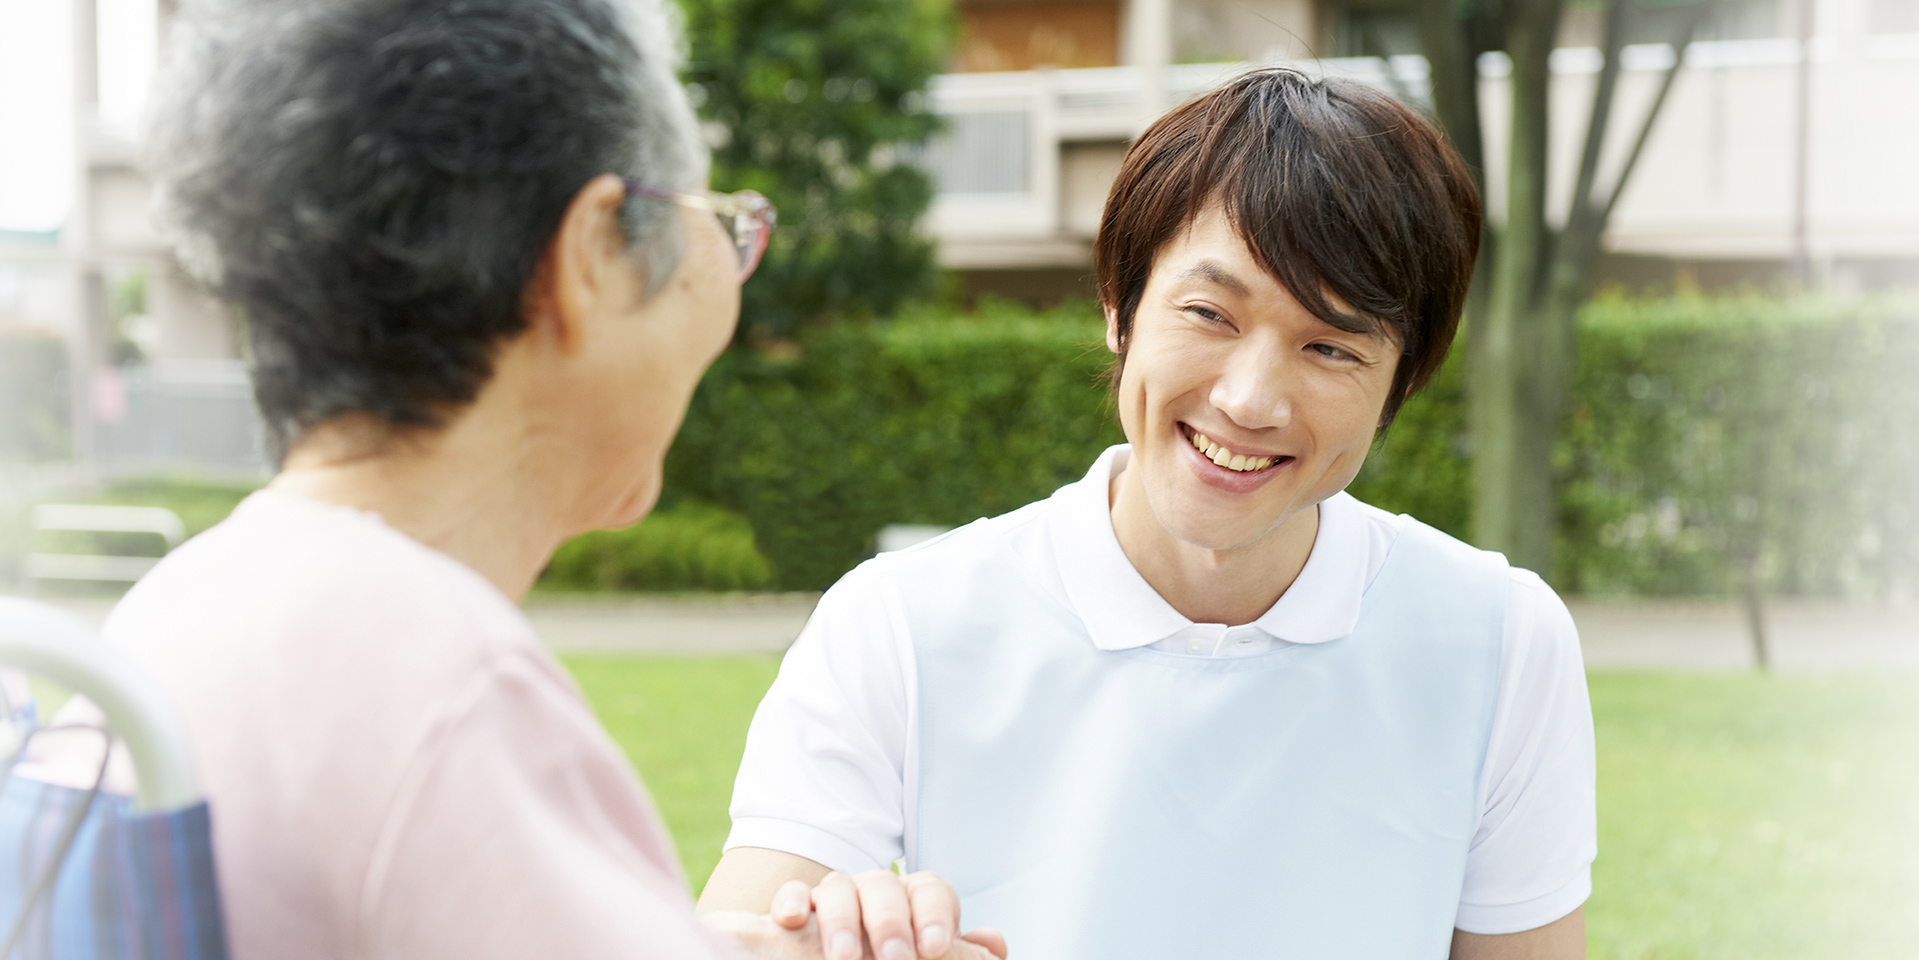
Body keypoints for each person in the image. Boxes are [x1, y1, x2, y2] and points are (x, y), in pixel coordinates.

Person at [98, 1, 1003, 958]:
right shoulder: (433, 676)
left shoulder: (189, 605)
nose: (727, 284)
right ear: (591, 256)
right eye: (711, 221)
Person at [699, 69, 1596, 959]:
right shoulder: (899, 621)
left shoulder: (1499, 640)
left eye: (1329, 345)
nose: (1249, 400)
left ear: (1401, 381)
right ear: (1118, 311)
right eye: (1208, 312)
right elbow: (746, 933)